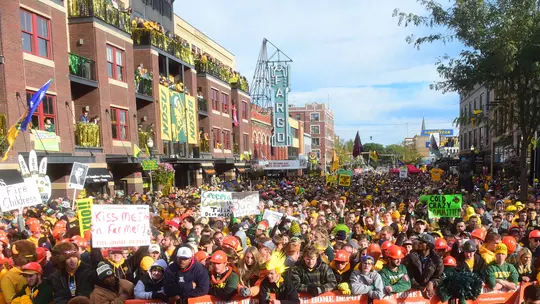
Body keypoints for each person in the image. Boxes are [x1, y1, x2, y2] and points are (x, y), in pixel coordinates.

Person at [404, 234, 443, 298]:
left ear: (429, 246)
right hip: (412, 292)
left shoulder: (437, 260)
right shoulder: (411, 257)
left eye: (422, 242)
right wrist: (419, 287)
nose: (419, 243)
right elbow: (407, 275)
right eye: (420, 241)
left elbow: (440, 276)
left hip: (428, 294)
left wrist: (432, 282)